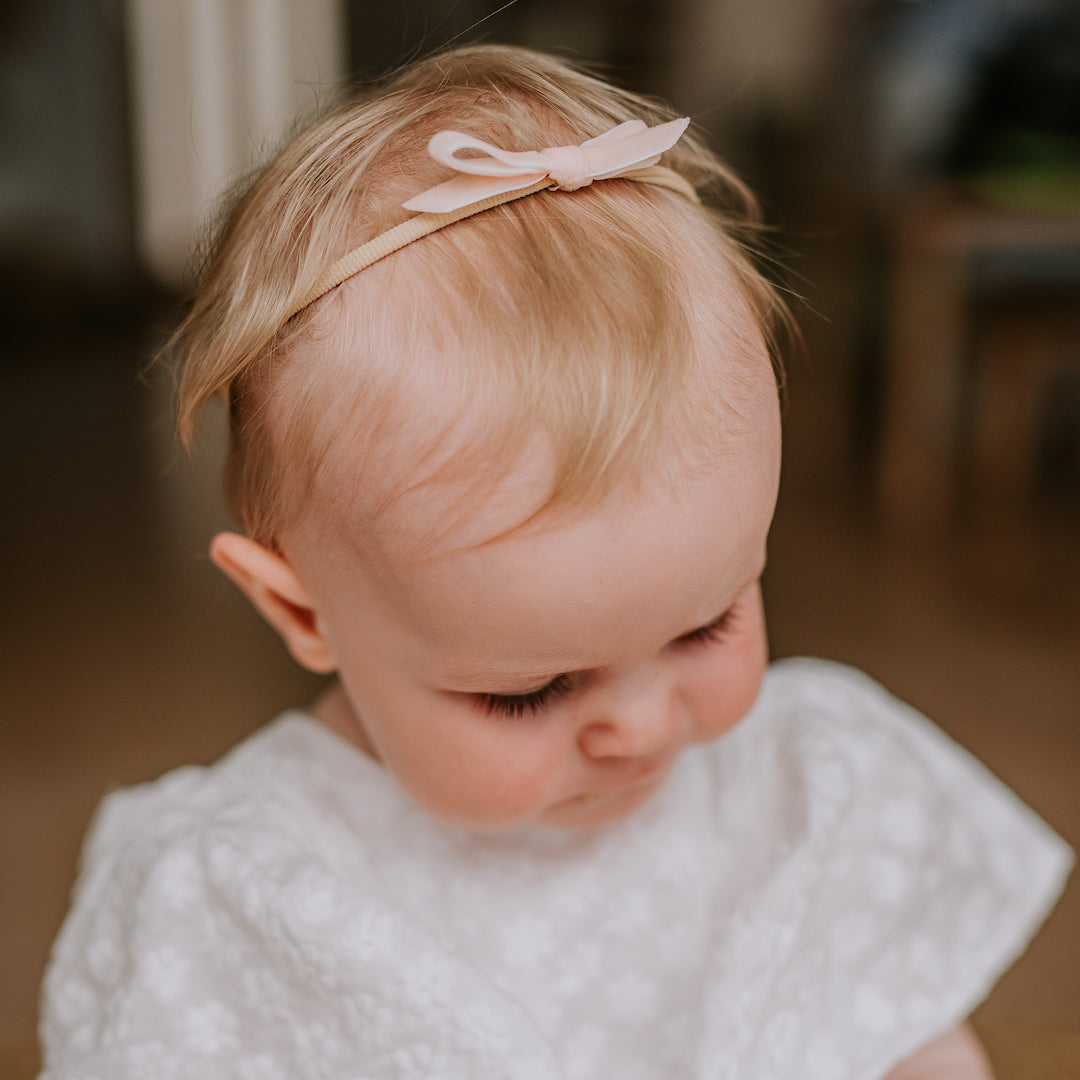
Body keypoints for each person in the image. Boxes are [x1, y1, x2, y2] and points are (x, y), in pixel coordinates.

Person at [39, 44, 1070, 1080]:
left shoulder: (806, 794)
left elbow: (910, 1041)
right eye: (530, 691)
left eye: (707, 622)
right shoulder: (235, 894)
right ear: (303, 613)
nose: (641, 725)